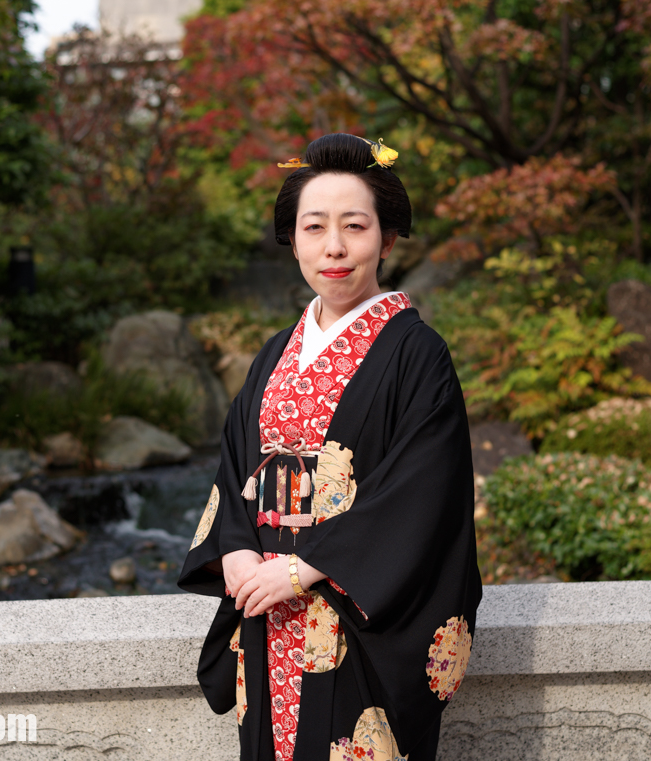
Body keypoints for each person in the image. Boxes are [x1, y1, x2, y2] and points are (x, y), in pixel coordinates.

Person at [178, 133, 482, 761]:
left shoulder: (416, 354)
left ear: (387, 239)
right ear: (292, 240)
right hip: (267, 607)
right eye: (314, 227)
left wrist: (304, 568)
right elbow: (237, 462)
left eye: (355, 226)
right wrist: (235, 550)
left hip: (351, 613)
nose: (334, 247)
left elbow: (424, 489)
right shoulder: (275, 353)